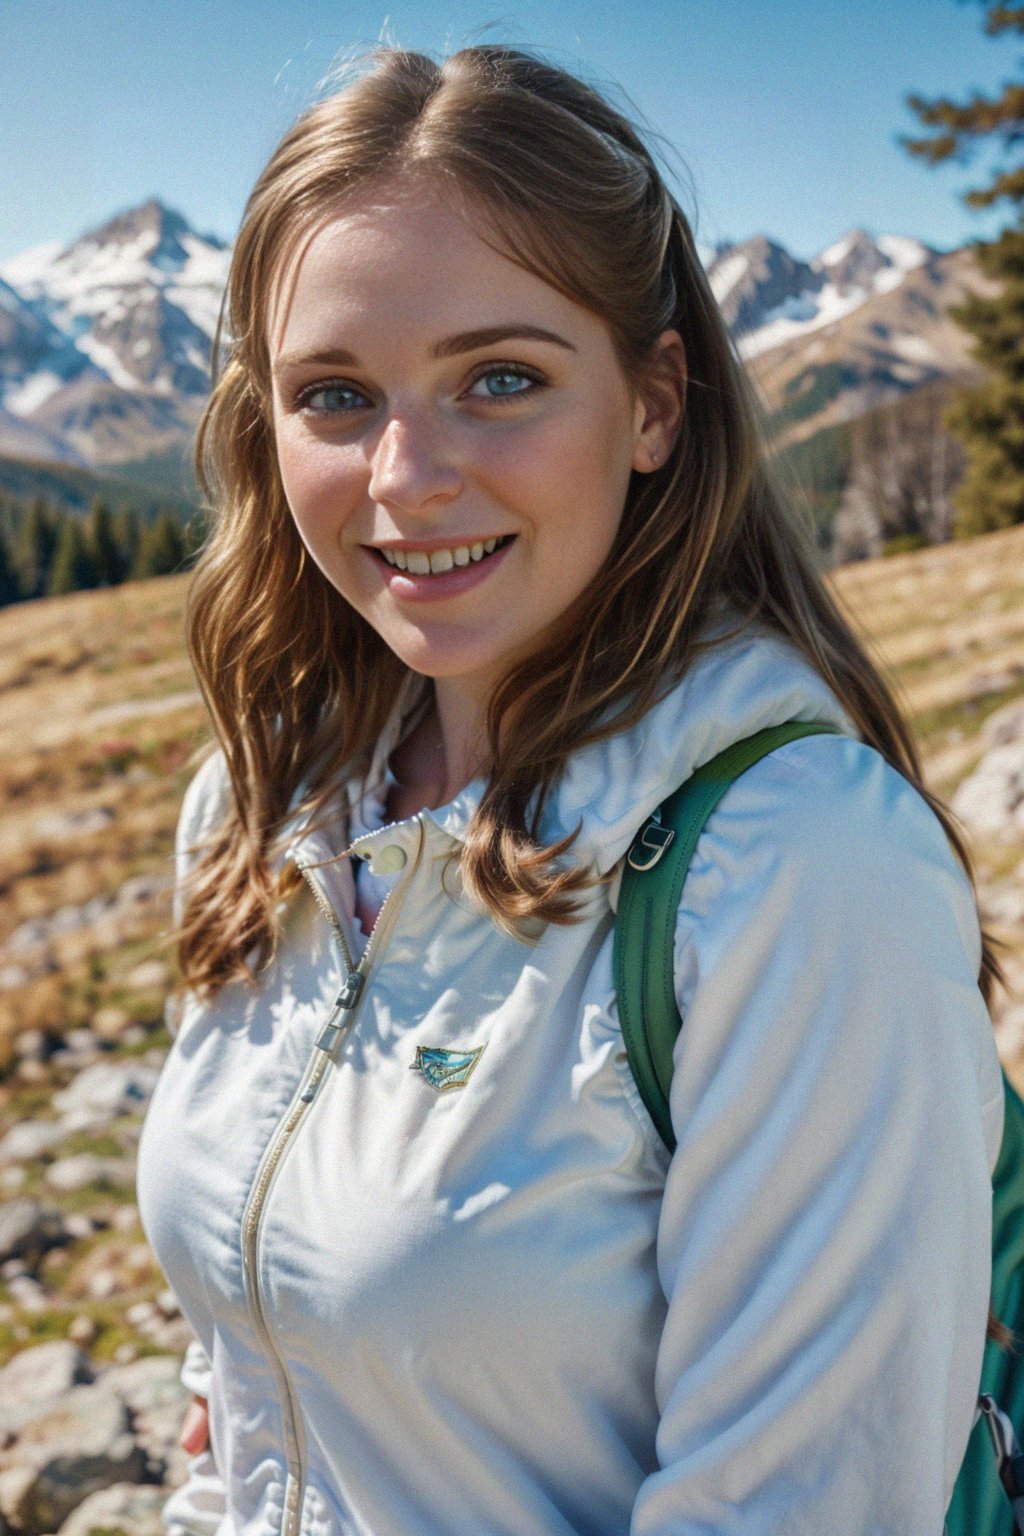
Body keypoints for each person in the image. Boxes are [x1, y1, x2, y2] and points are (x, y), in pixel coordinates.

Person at [135, 43, 1006, 1536]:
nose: (407, 475)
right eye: (336, 395)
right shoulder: (258, 806)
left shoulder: (799, 872)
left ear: (656, 402)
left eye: (501, 379)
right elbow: (249, 1416)